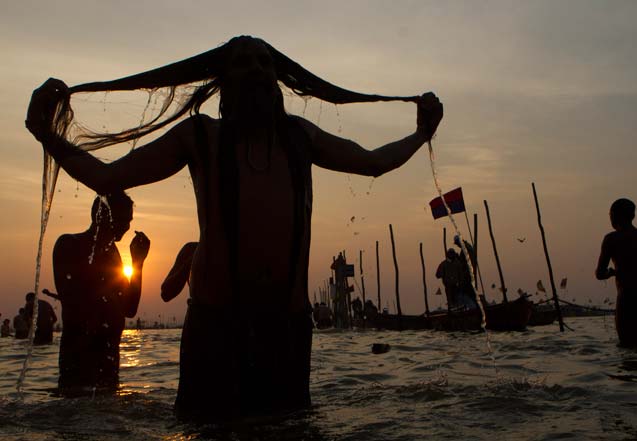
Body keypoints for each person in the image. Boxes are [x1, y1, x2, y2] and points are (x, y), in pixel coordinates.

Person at [26, 36, 442, 421]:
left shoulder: (300, 137)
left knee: (291, 428)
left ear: (277, 78)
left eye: (265, 62)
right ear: (224, 81)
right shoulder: (200, 135)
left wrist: (422, 134)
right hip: (215, 329)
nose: (258, 69)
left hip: (287, 329)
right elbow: (107, 176)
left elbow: (372, 162)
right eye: (244, 63)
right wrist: (44, 133)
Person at [50, 191, 150, 395]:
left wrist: (138, 263)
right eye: (122, 219)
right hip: (79, 360)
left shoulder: (113, 254)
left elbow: (129, 309)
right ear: (102, 216)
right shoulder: (69, 244)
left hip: (109, 362)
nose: (127, 226)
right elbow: (74, 302)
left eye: (129, 221)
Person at [596, 198, 637, 349]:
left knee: (627, 348)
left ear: (615, 216)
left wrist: (611, 273)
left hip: (628, 300)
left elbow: (599, 273)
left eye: (610, 215)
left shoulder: (611, 239)